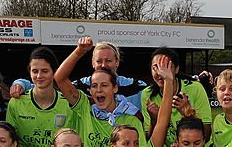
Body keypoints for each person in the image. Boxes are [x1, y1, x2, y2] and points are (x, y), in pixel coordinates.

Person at [51, 44, 148, 147]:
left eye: (104, 85)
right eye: (94, 86)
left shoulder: (131, 116)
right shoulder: (85, 107)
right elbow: (59, 78)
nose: (99, 90)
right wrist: (79, 51)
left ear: (115, 88)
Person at [6, 47, 95, 147]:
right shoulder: (16, 103)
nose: (39, 76)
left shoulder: (69, 104)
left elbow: (79, 144)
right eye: (34, 71)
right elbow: (9, 142)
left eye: (44, 71)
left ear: (54, 72)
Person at [9, 38, 147, 107]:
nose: (103, 65)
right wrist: (22, 84)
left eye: (108, 61)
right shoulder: (80, 85)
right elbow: (52, 88)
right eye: (99, 61)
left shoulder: (137, 87)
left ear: (117, 62)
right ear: (93, 63)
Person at [141, 47, 212, 143]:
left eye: (166, 67)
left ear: (176, 69)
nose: (160, 73)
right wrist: (154, 122)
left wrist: (189, 116)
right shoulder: (147, 94)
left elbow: (206, 136)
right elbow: (149, 142)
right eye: (155, 67)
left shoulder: (195, 88)